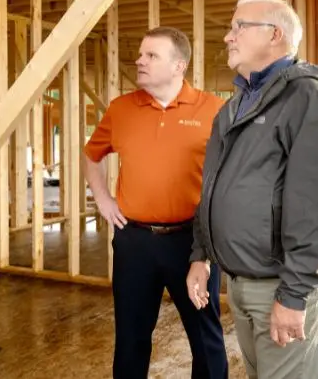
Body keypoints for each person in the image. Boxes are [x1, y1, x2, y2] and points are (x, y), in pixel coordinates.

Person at [186, 0, 318, 379]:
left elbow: (317, 205)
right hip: (241, 283)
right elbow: (212, 188)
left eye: (239, 26)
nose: (228, 36)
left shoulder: (306, 96)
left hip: (280, 283)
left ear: (275, 35)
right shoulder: (234, 107)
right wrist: (200, 255)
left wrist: (293, 295)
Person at [82, 26, 228, 379]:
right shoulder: (121, 109)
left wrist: (207, 254)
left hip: (193, 244)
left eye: (151, 55)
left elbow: (229, 181)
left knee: (205, 337)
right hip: (134, 241)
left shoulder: (214, 109)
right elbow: (91, 156)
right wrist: (102, 199)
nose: (139, 61)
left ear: (179, 65)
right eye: (140, 53)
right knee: (131, 338)